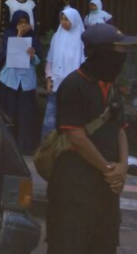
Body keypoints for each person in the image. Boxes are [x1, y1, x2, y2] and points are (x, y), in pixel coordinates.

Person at [46, 24, 136, 254]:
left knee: (103, 244)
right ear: (101, 53)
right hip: (75, 184)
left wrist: (122, 167)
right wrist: (109, 169)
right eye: (118, 51)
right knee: (69, 244)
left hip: (106, 188)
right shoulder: (74, 85)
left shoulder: (111, 88)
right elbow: (75, 136)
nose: (122, 57)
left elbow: (120, 129)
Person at [0, 11, 41, 154]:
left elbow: (38, 60)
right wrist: (19, 34)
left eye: (25, 22)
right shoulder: (9, 34)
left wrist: (33, 56)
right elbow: (10, 53)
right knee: (9, 113)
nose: (23, 25)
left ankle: (24, 147)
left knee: (25, 115)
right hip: (10, 80)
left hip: (26, 82)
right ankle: (8, 146)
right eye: (20, 22)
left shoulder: (33, 37)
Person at [43, 9, 86, 140]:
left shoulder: (82, 39)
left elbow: (84, 63)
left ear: (74, 20)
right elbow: (50, 60)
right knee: (50, 121)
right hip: (55, 85)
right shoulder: (57, 37)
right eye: (61, 19)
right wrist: (49, 79)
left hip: (73, 87)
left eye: (66, 19)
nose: (63, 22)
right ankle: (47, 148)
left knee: (69, 122)